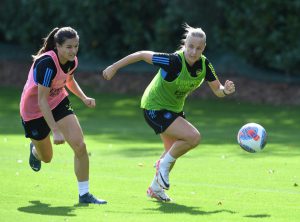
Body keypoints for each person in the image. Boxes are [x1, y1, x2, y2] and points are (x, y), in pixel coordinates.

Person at [102, 23, 235, 202]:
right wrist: (114, 67)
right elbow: (142, 55)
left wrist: (225, 90)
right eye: (191, 47)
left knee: (172, 151)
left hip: (174, 110)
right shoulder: (173, 61)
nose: (194, 52)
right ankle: (161, 165)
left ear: (204, 49)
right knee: (193, 137)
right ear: (185, 44)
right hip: (153, 107)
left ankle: (155, 189)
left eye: (198, 48)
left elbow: (217, 90)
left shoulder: (204, 64)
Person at [20, 27, 107, 204]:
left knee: (80, 146)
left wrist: (84, 98)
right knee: (47, 158)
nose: (73, 51)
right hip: (33, 111)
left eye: (76, 46)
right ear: (57, 46)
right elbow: (42, 101)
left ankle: (84, 195)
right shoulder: (47, 64)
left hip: (58, 101)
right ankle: (35, 150)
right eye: (68, 47)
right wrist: (55, 130)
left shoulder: (72, 60)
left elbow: (69, 80)